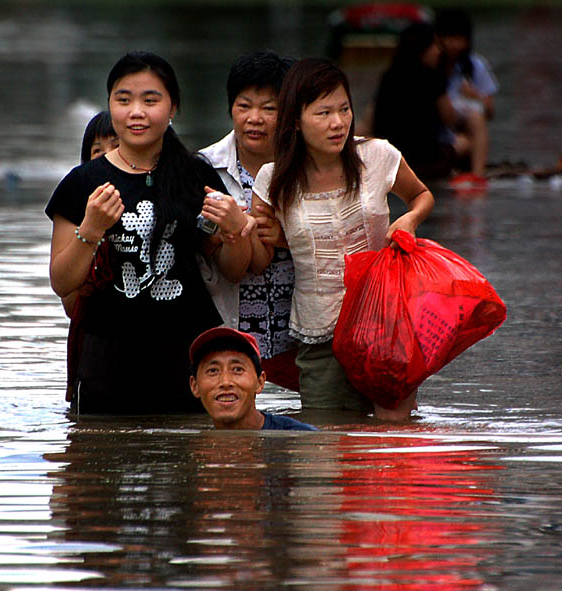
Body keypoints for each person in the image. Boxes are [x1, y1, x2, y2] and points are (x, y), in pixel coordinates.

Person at [46, 51, 252, 415]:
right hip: (107, 357)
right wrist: (91, 230)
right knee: (102, 460)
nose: (136, 112)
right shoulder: (83, 183)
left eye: (150, 100)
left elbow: (232, 270)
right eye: (123, 100)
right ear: (110, 105)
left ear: (173, 107)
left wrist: (236, 231)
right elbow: (63, 282)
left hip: (187, 356)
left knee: (190, 459)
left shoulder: (195, 175)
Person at [250, 58, 435, 421]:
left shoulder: (377, 155)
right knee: (323, 451)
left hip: (386, 325)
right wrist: (247, 230)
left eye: (344, 109)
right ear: (296, 122)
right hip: (319, 333)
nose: (338, 123)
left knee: (390, 445)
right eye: (323, 113)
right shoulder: (273, 180)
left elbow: (421, 195)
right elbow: (262, 252)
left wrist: (409, 221)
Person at [198, 50, 300, 391]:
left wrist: (289, 236)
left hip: (302, 334)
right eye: (244, 106)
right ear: (230, 109)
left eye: (269, 108)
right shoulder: (204, 168)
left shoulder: (312, 167)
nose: (254, 118)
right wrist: (235, 229)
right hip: (230, 334)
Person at [62, 110, 119, 403]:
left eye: (116, 147)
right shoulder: (77, 215)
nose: (107, 158)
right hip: (94, 351)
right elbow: (70, 304)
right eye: (97, 151)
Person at [372, 22, 471, 180]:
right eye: (435, 46)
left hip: (390, 159)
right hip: (426, 160)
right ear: (421, 48)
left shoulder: (389, 77)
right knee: (465, 142)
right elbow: (450, 118)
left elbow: (373, 117)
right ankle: (469, 178)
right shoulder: (433, 78)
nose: (439, 51)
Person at [189, 327, 318, 430]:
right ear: (194, 386)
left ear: (260, 382)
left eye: (237, 369)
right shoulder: (193, 446)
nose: (225, 382)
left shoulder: (297, 439)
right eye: (213, 371)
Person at [436, 8, 497, 185]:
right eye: (450, 38)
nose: (454, 44)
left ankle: (477, 175)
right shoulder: (431, 62)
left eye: (459, 39)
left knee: (476, 118)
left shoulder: (475, 65)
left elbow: (490, 111)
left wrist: (475, 95)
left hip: (463, 123)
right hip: (437, 122)